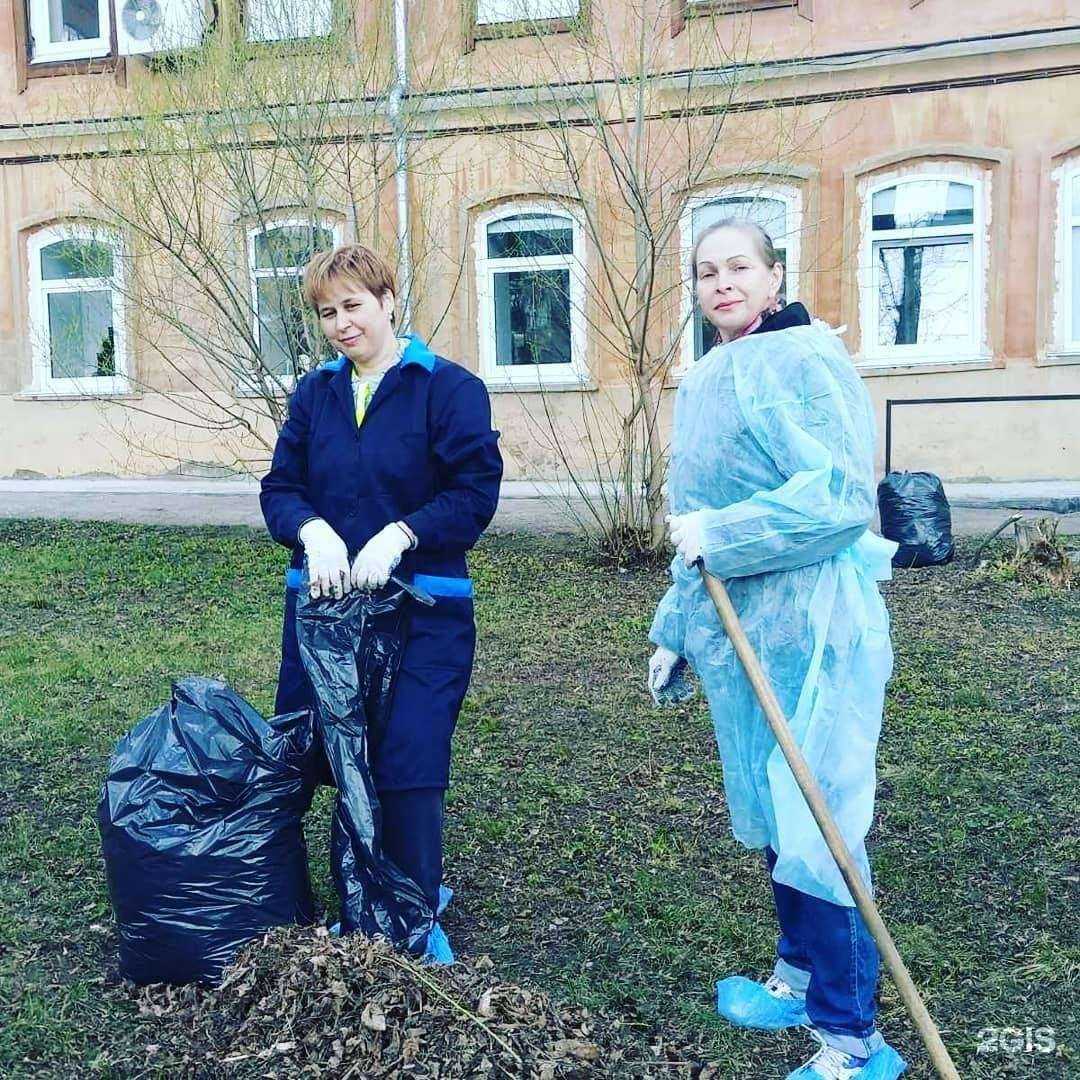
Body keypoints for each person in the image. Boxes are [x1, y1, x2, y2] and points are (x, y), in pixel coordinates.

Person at [648, 219, 907, 1080]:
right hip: (746, 629)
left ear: (774, 276)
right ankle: (797, 978)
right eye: (707, 271)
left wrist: (723, 531)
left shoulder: (805, 360)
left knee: (819, 820)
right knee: (775, 809)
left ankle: (853, 1040)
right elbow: (697, 522)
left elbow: (838, 498)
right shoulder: (712, 374)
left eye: (739, 267)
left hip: (816, 627)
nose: (722, 282)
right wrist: (675, 627)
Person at [261, 243, 503, 960]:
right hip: (328, 613)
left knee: (408, 755)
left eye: (354, 306)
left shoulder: (447, 388)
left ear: (388, 301)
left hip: (423, 608)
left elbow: (473, 493)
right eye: (326, 312)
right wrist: (311, 531)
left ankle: (413, 914)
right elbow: (280, 487)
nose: (341, 324)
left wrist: (403, 533)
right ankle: (349, 895)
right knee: (324, 750)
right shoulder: (316, 394)